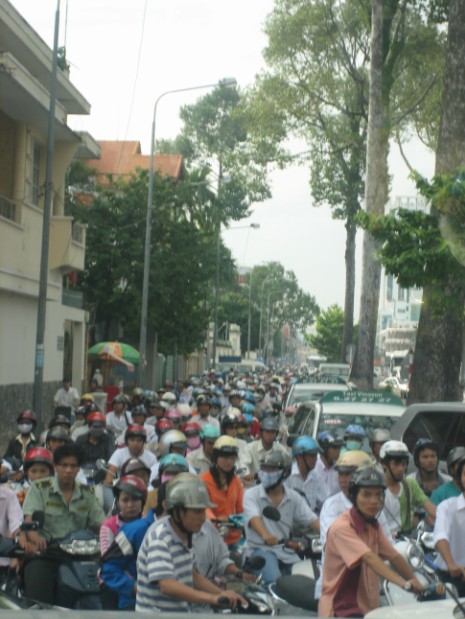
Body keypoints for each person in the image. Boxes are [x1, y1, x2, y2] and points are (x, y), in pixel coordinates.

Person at [319, 467, 424, 617]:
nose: (374, 501)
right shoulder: (342, 527)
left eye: (379, 495)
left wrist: (414, 580)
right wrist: (403, 583)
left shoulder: (373, 525)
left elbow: (393, 556)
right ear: (354, 496)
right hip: (342, 608)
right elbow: (369, 558)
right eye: (366, 495)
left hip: (368, 607)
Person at [136, 473, 247, 612]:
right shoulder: (160, 538)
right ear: (177, 512)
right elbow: (167, 585)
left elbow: (192, 574)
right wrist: (211, 598)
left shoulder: (186, 535)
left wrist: (220, 593)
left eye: (203, 511)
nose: (203, 518)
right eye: (197, 512)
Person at [21, 443, 106, 605]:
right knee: (37, 598)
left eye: (73, 466)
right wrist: (36, 537)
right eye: (64, 465)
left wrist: (108, 540)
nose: (68, 470)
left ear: (78, 468)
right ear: (55, 467)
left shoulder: (87, 493)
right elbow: (29, 520)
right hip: (48, 554)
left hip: (81, 555)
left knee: (105, 588)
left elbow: (101, 524)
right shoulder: (39, 488)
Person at [315, 450, 393, 600]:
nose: (344, 480)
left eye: (349, 474)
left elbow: (389, 547)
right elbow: (337, 547)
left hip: (374, 584)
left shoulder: (375, 508)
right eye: (341, 474)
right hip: (339, 586)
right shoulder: (331, 506)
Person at [243, 449, 319, 586]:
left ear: (285, 472)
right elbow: (254, 518)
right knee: (276, 582)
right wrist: (265, 535)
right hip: (259, 549)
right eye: (263, 468)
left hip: (286, 551)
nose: (265, 473)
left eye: (271, 469)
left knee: (310, 581)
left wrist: (331, 533)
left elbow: (313, 520)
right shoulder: (251, 495)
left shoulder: (293, 497)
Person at [100, 475, 149, 609]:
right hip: (114, 581)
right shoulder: (108, 525)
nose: (130, 505)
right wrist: (132, 583)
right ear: (118, 502)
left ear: (142, 501)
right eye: (125, 500)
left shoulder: (149, 524)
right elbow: (108, 559)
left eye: (135, 499)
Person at [380, 440, 436, 537]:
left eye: (404, 464)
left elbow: (431, 509)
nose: (401, 468)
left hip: (406, 539)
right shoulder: (376, 487)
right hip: (382, 540)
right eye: (396, 464)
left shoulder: (409, 484)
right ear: (384, 464)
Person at [200, 436, 244, 548]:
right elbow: (204, 507)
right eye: (225, 457)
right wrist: (216, 521)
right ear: (216, 457)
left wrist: (237, 521)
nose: (229, 462)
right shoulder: (203, 480)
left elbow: (241, 509)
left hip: (234, 538)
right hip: (211, 538)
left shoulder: (236, 481)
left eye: (232, 458)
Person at [433, 455, 465, 596]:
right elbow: (441, 536)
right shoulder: (447, 507)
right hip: (450, 577)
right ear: (460, 478)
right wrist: (451, 563)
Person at [286, 435, 328, 513]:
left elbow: (325, 503)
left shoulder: (317, 478)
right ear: (299, 456)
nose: (315, 459)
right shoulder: (287, 475)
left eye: (316, 455)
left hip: (310, 522)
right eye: (312, 456)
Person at [241, 416, 289, 481]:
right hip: (253, 485)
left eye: (273, 432)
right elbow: (243, 466)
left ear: (276, 434)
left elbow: (288, 466)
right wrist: (248, 475)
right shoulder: (250, 448)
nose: (270, 435)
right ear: (261, 433)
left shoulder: (281, 450)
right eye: (267, 432)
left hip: (275, 485)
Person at [315, 431, 344, 497]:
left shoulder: (340, 468)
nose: (338, 451)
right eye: (334, 448)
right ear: (323, 449)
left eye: (339, 448)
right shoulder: (313, 467)